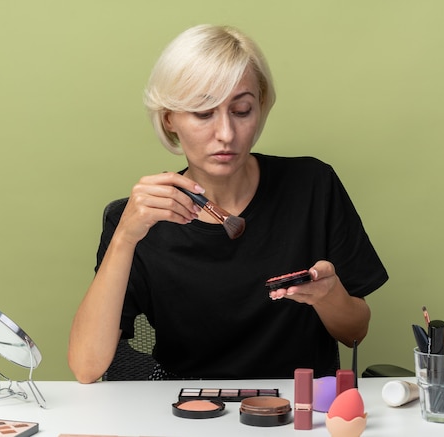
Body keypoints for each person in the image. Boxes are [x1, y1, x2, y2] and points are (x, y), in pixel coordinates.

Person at [68, 24, 388, 384]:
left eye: (242, 110)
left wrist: (329, 296)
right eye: (203, 113)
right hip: (185, 409)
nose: (226, 134)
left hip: (300, 408)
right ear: (170, 118)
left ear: (260, 107)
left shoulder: (313, 186)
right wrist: (125, 237)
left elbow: (354, 333)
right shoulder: (139, 220)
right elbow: (87, 367)